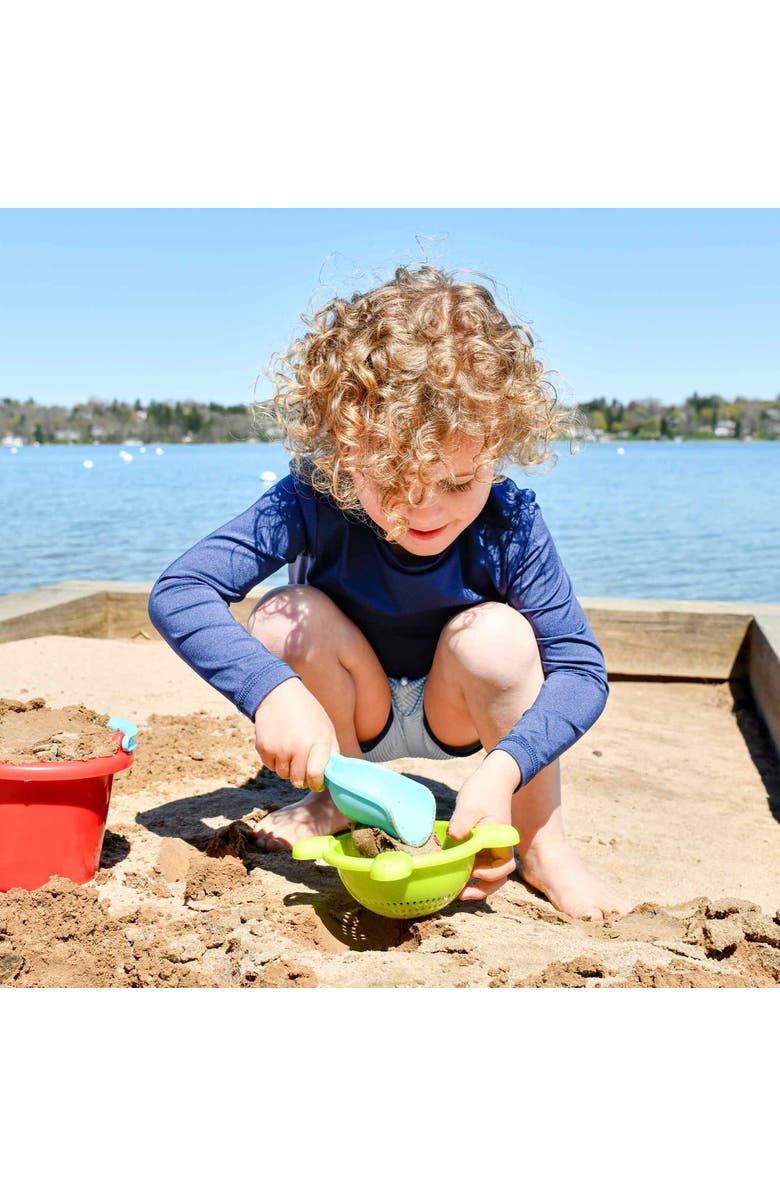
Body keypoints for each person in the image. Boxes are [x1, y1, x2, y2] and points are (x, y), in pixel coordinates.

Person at [148, 265, 630, 920]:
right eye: (396, 481)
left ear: (499, 445)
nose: (427, 511)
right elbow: (182, 589)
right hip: (348, 713)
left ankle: (545, 845)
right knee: (288, 615)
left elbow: (581, 670)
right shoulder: (311, 497)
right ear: (345, 451)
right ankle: (333, 799)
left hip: (454, 706)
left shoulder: (511, 523)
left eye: (459, 484)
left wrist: (505, 768)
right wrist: (274, 692)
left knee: (499, 638)